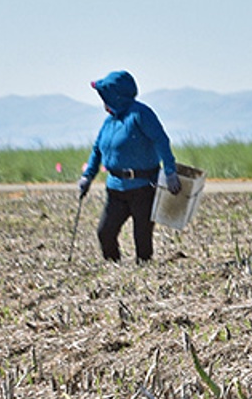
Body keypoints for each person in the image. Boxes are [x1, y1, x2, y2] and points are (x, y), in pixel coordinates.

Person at [77, 70, 181, 264]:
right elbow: (97, 150)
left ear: (115, 94)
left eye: (105, 94)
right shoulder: (109, 122)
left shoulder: (141, 114)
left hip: (143, 188)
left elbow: (161, 140)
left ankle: (145, 274)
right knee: (105, 233)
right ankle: (113, 266)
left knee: (142, 238)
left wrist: (170, 171)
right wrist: (87, 177)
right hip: (115, 189)